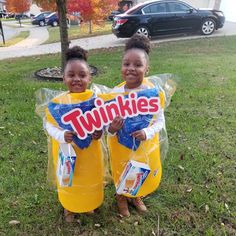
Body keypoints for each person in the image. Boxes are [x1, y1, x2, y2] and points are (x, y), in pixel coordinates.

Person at [107, 34, 165, 217]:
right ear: (121, 66)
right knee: (121, 169)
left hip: (143, 145)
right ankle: (121, 197)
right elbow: (105, 128)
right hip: (120, 147)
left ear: (147, 69)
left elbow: (160, 121)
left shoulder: (153, 93)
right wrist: (112, 129)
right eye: (126, 64)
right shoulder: (114, 94)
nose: (131, 68)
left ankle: (135, 195)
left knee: (139, 169)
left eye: (138, 65)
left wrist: (147, 132)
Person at [45, 46, 104, 222]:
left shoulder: (96, 100)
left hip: (90, 154)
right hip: (67, 153)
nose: (76, 79)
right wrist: (61, 135)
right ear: (63, 78)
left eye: (82, 75)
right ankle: (69, 206)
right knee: (69, 179)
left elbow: (103, 122)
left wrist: (99, 132)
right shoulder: (57, 103)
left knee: (88, 178)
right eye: (71, 75)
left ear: (89, 77)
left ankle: (87, 203)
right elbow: (48, 126)